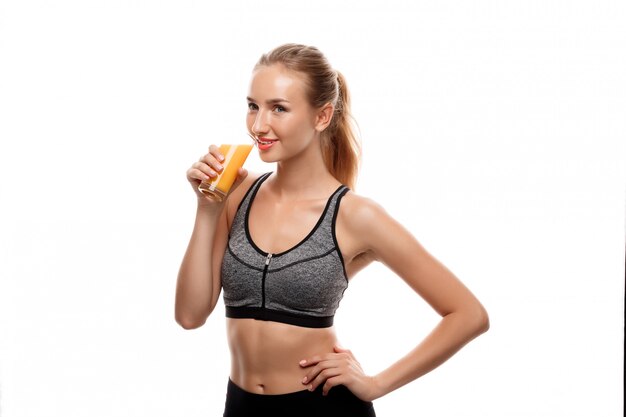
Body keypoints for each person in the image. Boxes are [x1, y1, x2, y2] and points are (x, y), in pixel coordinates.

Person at [175, 43, 489, 417]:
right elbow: (190, 316)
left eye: (278, 108)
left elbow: (468, 314)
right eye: (252, 105)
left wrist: (376, 384)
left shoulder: (356, 216)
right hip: (241, 406)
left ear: (322, 116)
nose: (258, 125)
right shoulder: (236, 194)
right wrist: (207, 208)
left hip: (323, 409)